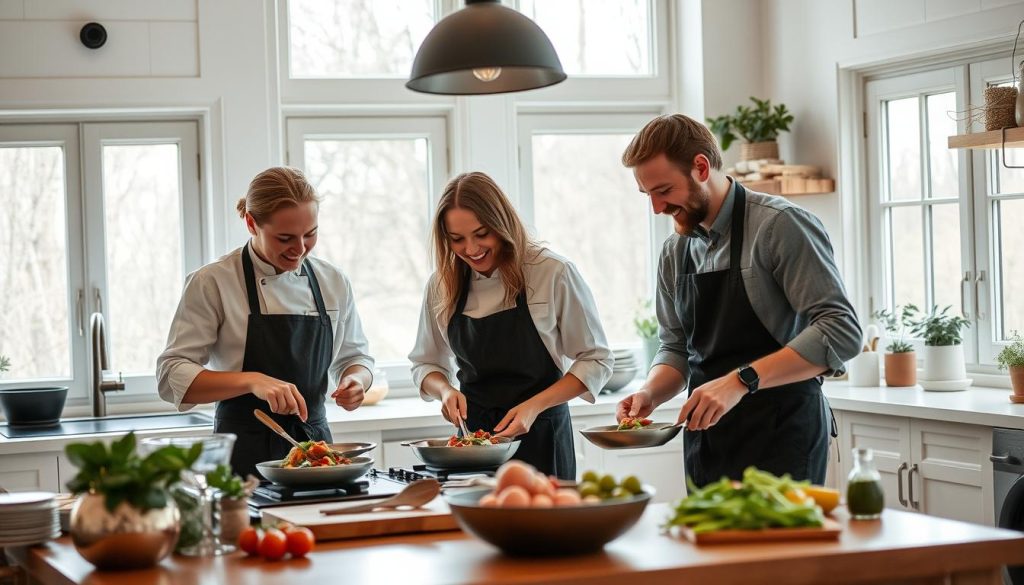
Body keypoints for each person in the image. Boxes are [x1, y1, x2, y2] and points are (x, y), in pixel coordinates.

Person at [615, 114, 861, 487]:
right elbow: (675, 348)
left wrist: (740, 381)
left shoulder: (781, 226)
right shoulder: (675, 250)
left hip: (783, 435)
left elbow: (841, 332)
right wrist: (650, 392)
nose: (656, 208)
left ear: (700, 167)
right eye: (647, 194)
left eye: (663, 191)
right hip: (708, 442)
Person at [157, 166, 374, 477]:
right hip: (243, 457)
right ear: (251, 223)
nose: (300, 249)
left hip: (318, 455)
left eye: (310, 234)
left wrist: (357, 381)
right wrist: (252, 380)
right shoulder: (213, 282)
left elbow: (356, 357)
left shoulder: (333, 281)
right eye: (285, 238)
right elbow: (170, 376)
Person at [409, 172, 612, 480]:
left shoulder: (551, 272)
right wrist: (445, 391)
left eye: (482, 234)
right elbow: (425, 364)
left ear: (501, 223)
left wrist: (534, 406)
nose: (471, 249)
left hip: (543, 436)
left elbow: (596, 361)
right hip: (475, 445)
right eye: (457, 239)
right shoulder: (441, 285)